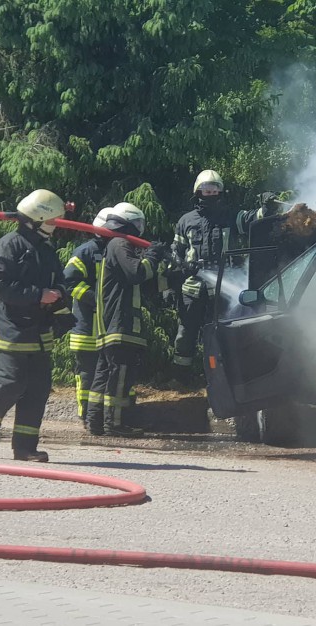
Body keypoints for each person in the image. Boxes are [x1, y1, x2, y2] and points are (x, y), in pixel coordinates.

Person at [0, 189, 68, 462]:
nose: (55, 225)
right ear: (37, 219)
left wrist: (60, 305)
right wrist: (37, 295)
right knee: (12, 382)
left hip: (38, 329)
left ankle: (25, 447)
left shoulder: (46, 251)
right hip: (12, 327)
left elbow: (60, 283)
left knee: (38, 387)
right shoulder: (9, 246)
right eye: (52, 220)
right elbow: (0, 285)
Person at [169, 170, 280, 377]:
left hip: (221, 288)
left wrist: (266, 207)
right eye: (206, 190)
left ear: (220, 193)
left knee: (220, 333)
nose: (210, 194)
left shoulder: (231, 217)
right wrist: (183, 266)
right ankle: (181, 378)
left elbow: (252, 220)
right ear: (197, 192)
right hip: (192, 288)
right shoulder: (186, 221)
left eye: (214, 191)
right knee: (186, 332)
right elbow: (175, 251)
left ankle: (218, 375)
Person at [84, 203, 167, 436]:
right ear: (130, 223)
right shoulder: (120, 244)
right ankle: (114, 424)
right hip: (120, 323)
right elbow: (137, 274)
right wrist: (152, 255)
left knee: (104, 375)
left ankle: (96, 421)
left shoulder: (113, 245)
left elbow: (143, 281)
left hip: (110, 324)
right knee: (119, 377)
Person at [62, 206, 119, 428]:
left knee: (111, 372)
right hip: (86, 328)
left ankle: (107, 415)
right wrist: (96, 300)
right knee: (87, 375)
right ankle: (85, 414)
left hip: (109, 327)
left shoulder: (118, 250)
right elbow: (69, 282)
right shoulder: (85, 252)